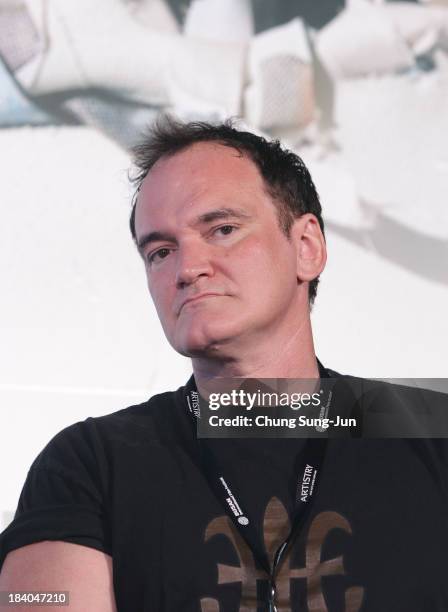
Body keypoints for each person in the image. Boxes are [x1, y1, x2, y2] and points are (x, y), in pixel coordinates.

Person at [0, 118, 447, 612]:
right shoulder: (90, 462)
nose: (188, 268)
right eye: (160, 251)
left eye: (223, 230)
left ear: (307, 248)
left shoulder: (431, 432)